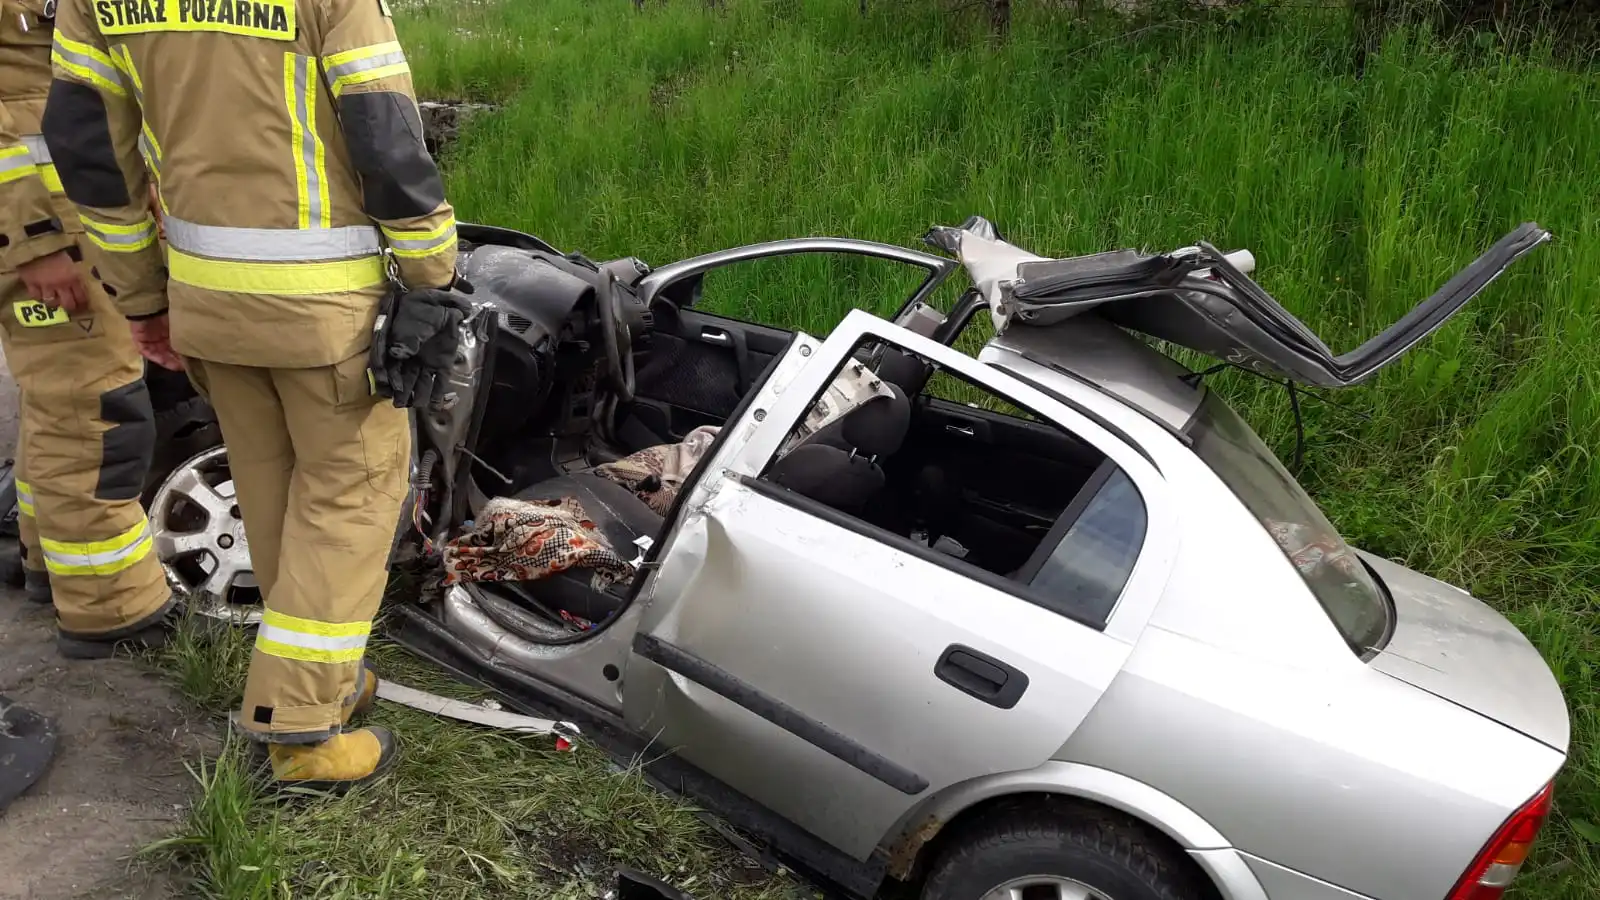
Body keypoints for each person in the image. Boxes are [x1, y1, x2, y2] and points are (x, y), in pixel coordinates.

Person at [43, 0, 463, 790]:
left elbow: (91, 156)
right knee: (349, 498)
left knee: (272, 493)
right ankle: (303, 735)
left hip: (208, 300)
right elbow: (384, 134)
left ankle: (320, 676)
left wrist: (140, 297)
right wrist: (433, 275)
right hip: (326, 312)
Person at [0, 0, 174, 653]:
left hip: (68, 227)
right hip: (40, 242)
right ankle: (112, 611)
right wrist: (28, 242)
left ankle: (52, 565)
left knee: (58, 405)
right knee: (96, 411)